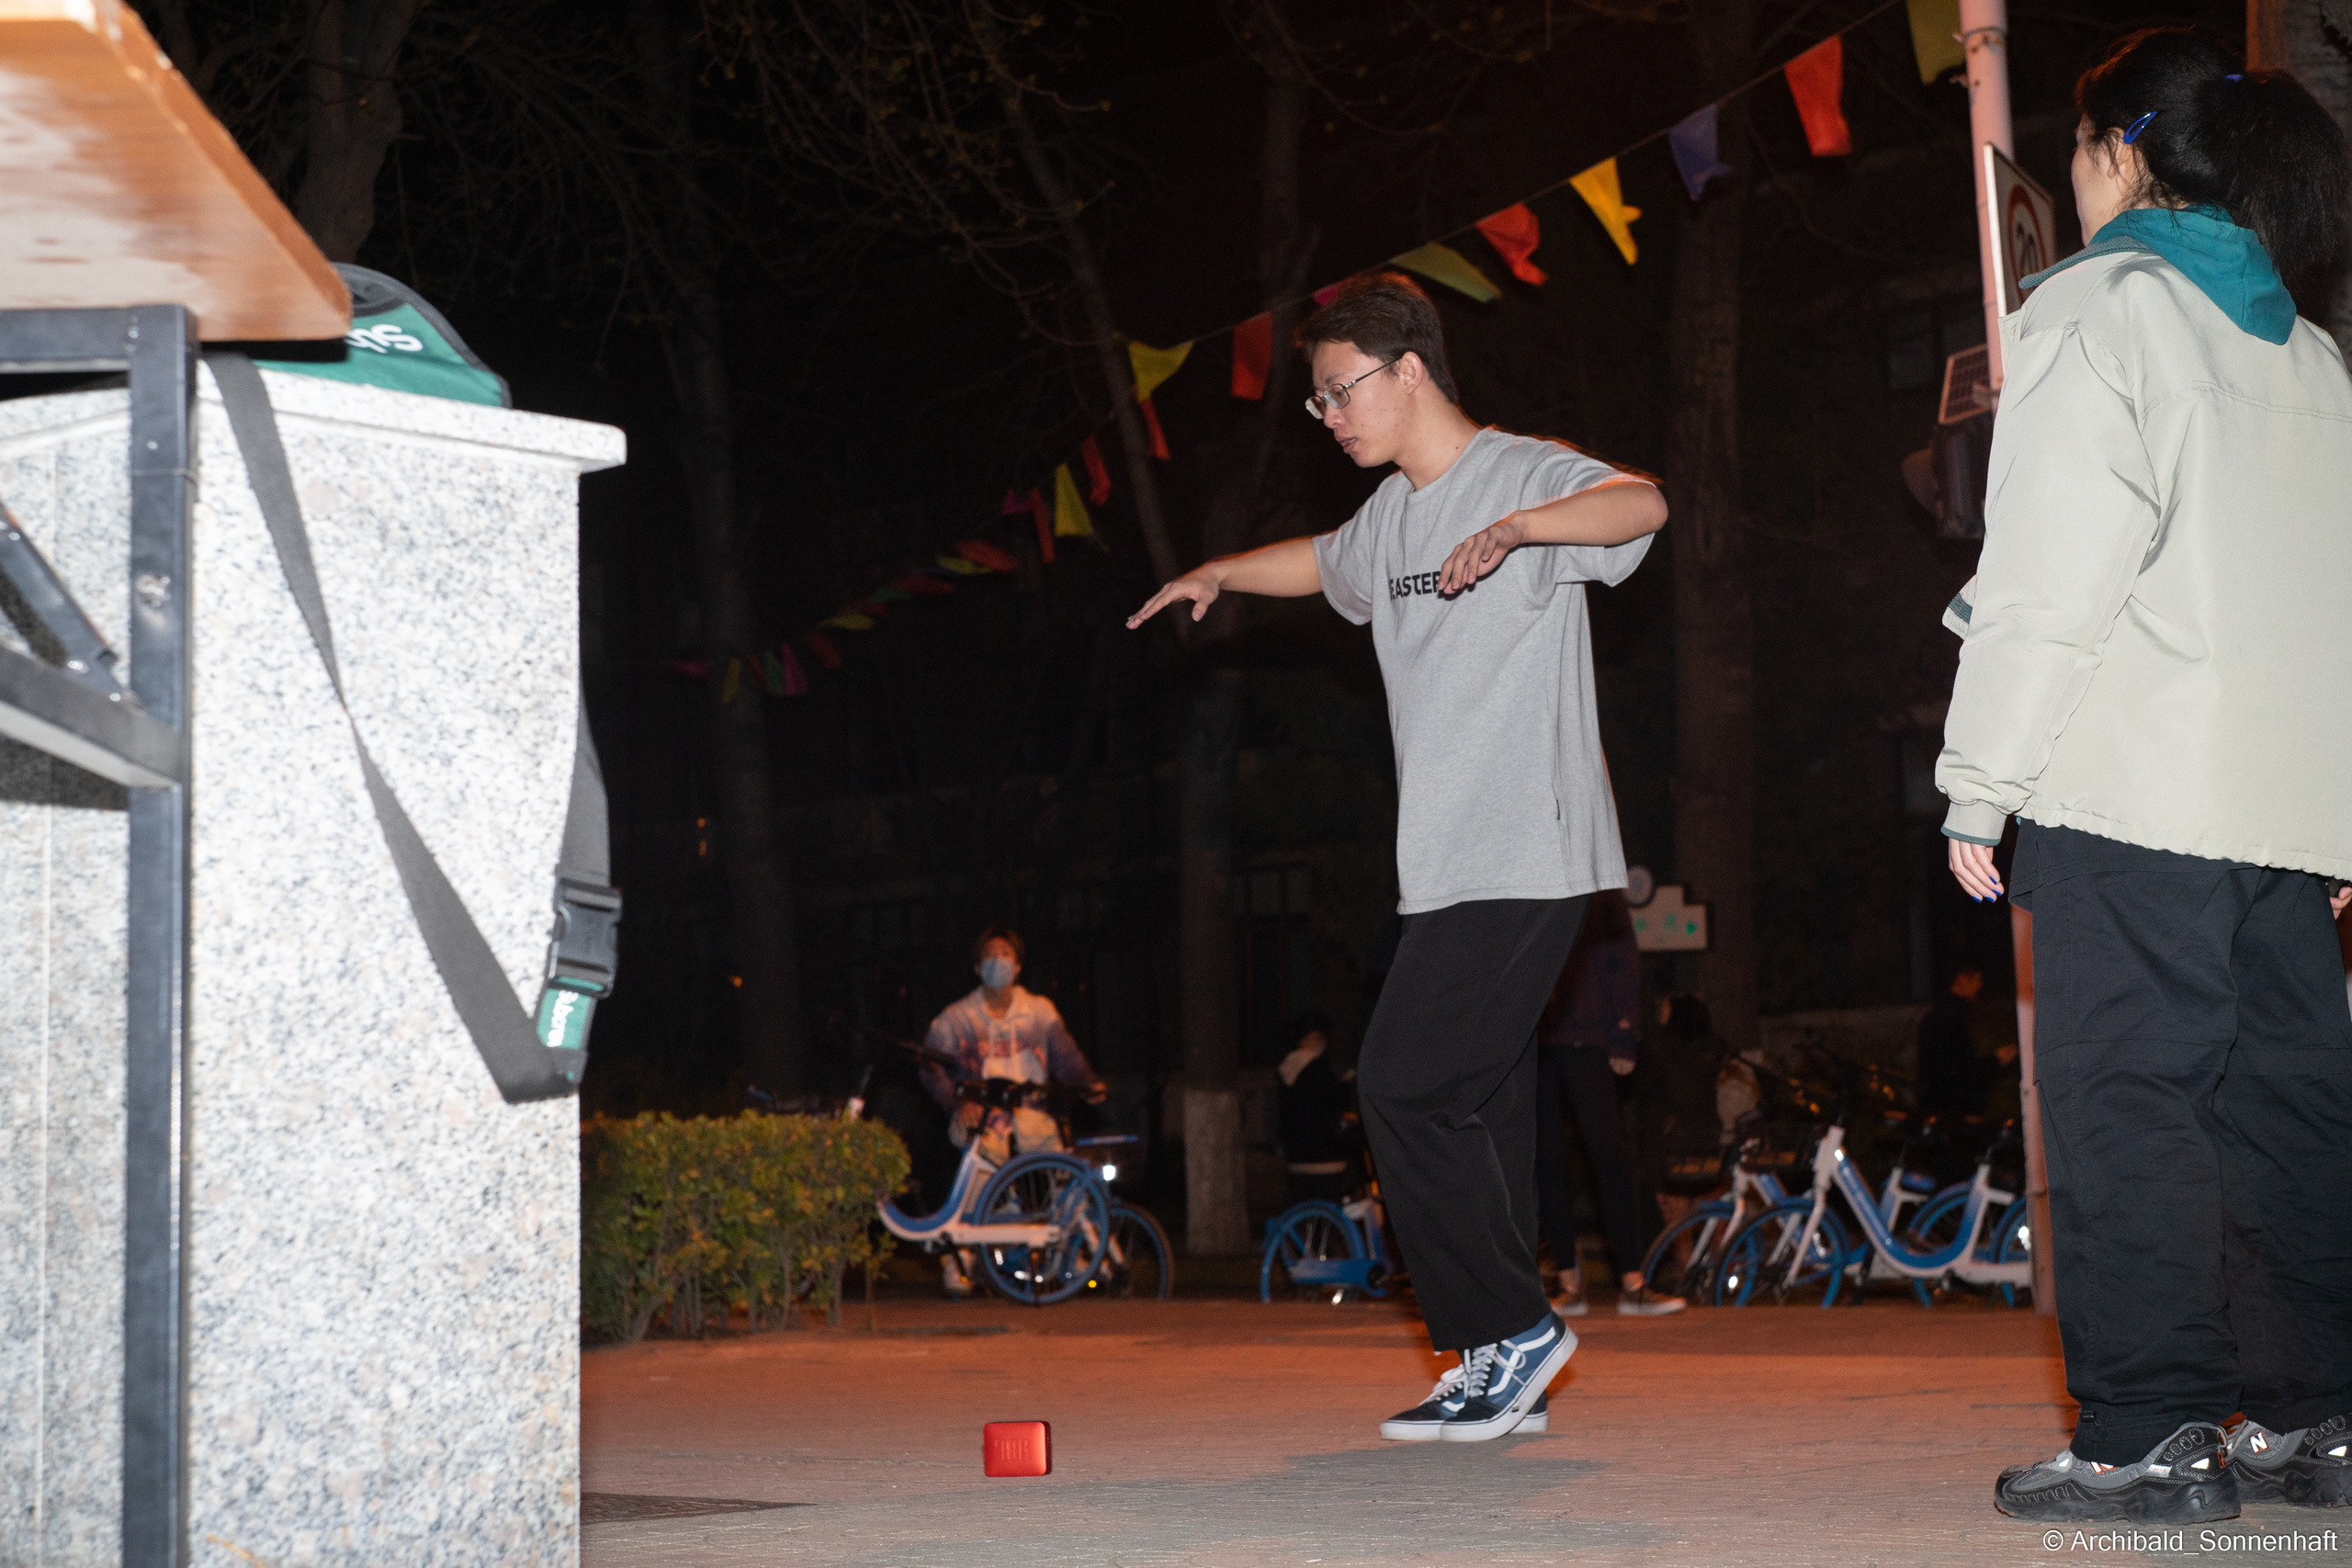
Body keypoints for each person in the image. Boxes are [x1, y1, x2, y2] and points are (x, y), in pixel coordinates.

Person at [1127, 271, 1664, 1443]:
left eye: (1337, 392)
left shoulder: (1520, 471)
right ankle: (1493, 1360)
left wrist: (1526, 526)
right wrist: (1220, 572)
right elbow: (1320, 562)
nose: (1328, 418)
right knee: (1479, 1097)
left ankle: (1512, 1329)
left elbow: (1640, 508)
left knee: (1399, 1084)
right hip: (1450, 860)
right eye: (1319, 402)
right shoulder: (1391, 520)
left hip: (1533, 841)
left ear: (1406, 368)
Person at [1939, 28, 2352, 1521]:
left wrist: (1979, 780)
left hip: (2131, 787)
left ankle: (2149, 1433)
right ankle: (2318, 1423)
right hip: (2282, 811)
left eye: (2078, 145)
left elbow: (2048, 575)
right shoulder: (2307, 350)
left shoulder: (2099, 310)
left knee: (2130, 1100)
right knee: (2287, 1110)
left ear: (2120, 147)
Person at [919, 927, 1106, 1297]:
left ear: (1018, 965)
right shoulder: (958, 1018)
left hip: (1032, 1113)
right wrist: (959, 1105)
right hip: (985, 1117)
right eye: (990, 955)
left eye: (1006, 954)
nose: (998, 961)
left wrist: (1089, 1084)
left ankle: (1074, 1251)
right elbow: (929, 1065)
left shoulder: (1038, 1011)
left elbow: (1065, 1056)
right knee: (979, 1178)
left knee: (1067, 1174)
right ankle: (961, 1259)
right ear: (977, 967)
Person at [1532, 890, 1683, 1316]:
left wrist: (1624, 1034)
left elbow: (1623, 958)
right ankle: (1566, 1282)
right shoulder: (1529, 874)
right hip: (1536, 1039)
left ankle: (1633, 1283)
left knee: (1607, 1153)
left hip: (1588, 1037)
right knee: (1546, 1160)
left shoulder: (1600, 887)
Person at [1277, 1010, 1358, 1202]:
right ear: (1312, 1037)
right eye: (1320, 1038)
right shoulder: (1316, 1068)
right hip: (1323, 1156)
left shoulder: (1285, 1068)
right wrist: (1346, 1083)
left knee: (1306, 1210)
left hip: (1296, 1156)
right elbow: (1334, 1101)